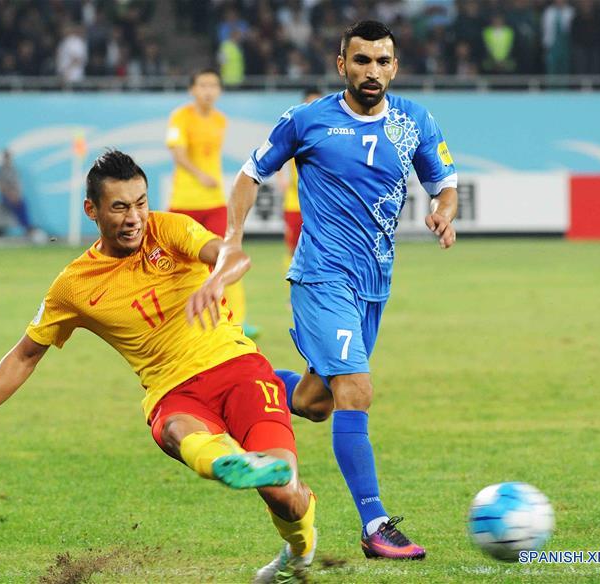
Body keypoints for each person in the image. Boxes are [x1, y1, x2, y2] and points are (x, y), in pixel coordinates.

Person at [0, 151, 317, 583]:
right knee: (176, 430)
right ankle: (229, 463)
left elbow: (233, 254)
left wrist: (215, 280)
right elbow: (25, 353)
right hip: (174, 394)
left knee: (285, 494)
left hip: (239, 369)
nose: (134, 217)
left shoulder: (168, 229)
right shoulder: (74, 286)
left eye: (140, 202)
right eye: (119, 207)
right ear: (91, 210)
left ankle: (298, 554)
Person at [188, 21, 458, 561]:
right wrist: (233, 238)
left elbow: (444, 180)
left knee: (317, 403)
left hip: (374, 284)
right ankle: (375, 523)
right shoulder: (308, 120)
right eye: (362, 61)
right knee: (356, 388)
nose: (372, 71)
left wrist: (443, 212)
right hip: (321, 276)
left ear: (395, 67)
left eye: (383, 61)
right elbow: (248, 175)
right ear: (342, 66)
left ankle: (245, 384)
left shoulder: (414, 121)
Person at [166, 68, 257, 338]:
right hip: (184, 200)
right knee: (178, 263)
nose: (208, 90)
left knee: (228, 254)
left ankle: (238, 320)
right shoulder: (180, 117)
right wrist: (199, 175)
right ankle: (174, 316)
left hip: (215, 201)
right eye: (203, 85)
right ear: (192, 89)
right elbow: (178, 153)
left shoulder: (220, 120)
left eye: (213, 85)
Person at [280, 87, 322, 266]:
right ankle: (293, 292)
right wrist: (281, 178)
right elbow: (276, 157)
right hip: (294, 201)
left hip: (321, 203)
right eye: (309, 103)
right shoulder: (294, 131)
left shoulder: (330, 133)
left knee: (320, 250)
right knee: (293, 249)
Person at [0, 149, 47, 243]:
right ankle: (28, 229)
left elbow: (18, 184)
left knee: (22, 205)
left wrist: (17, 194)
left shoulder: (14, 169)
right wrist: (9, 194)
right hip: (6, 196)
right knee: (16, 207)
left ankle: (28, 227)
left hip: (15, 195)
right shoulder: (1, 170)